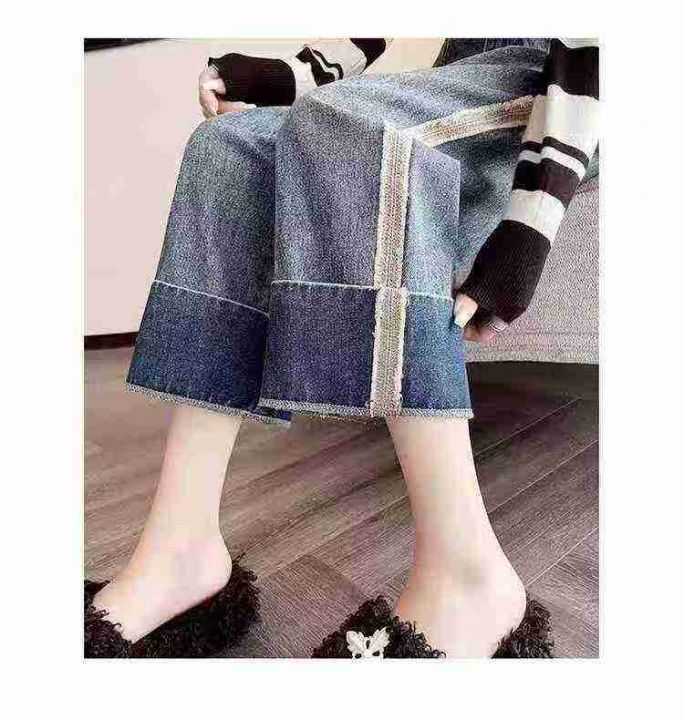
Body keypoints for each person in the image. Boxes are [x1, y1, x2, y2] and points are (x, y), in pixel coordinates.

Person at [85, 37, 599, 658]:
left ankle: (468, 573)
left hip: (570, 82)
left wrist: (530, 224)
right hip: (468, 71)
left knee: (353, 128)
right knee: (228, 146)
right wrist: (288, 74)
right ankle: (180, 550)